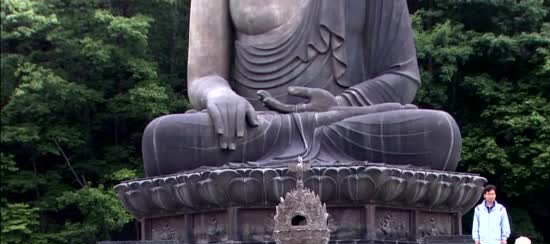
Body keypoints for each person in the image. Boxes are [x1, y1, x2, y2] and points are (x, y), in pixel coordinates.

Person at [141, 0, 462, 177]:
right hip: (252, 127)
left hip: (343, 121)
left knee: (438, 130)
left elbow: (402, 77)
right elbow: (204, 76)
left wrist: (341, 103)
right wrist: (220, 95)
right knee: (162, 138)